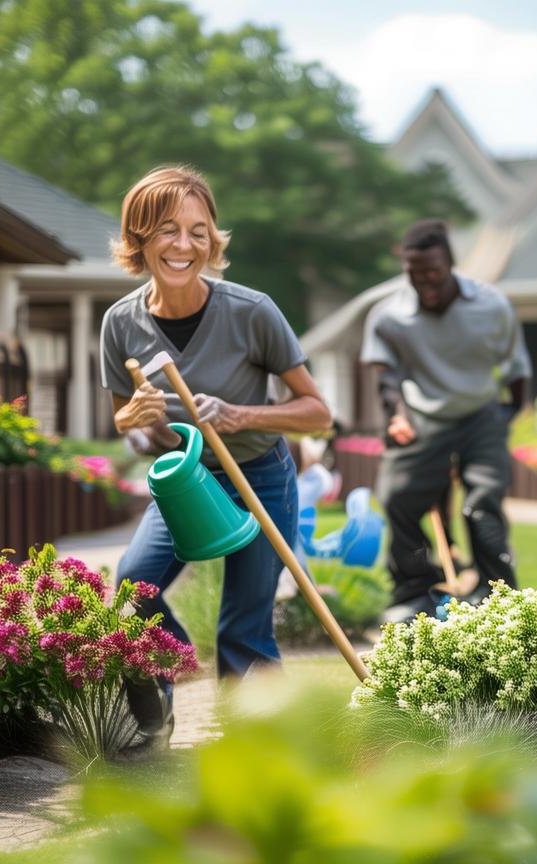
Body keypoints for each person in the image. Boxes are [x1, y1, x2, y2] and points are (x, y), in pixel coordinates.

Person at [100, 165, 332, 746]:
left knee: (243, 625)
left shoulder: (252, 311)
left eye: (198, 231)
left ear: (213, 239)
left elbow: (316, 412)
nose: (184, 245)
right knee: (134, 588)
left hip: (258, 474)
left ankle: (259, 745)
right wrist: (137, 425)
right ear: (138, 239)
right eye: (167, 230)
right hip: (185, 480)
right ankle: (156, 705)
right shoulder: (120, 324)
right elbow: (133, 428)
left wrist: (241, 414)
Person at [361, 219, 531, 621]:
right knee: (397, 497)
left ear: (450, 264)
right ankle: (414, 591)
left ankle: (496, 596)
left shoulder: (491, 306)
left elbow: (516, 366)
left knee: (482, 503)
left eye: (433, 273)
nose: (425, 283)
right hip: (422, 417)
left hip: (480, 414)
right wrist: (396, 417)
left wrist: (507, 414)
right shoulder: (389, 315)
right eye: (414, 274)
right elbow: (387, 378)